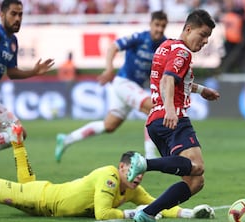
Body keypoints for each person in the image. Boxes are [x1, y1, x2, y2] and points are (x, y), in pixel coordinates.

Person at [126, 9, 220, 222]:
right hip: (173, 118)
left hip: (156, 122)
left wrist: (200, 89)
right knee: (197, 167)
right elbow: (168, 79)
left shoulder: (166, 46)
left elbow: (171, 79)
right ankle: (144, 163)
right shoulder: (183, 53)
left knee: (195, 181)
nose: (205, 41)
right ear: (188, 29)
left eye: (208, 37)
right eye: (203, 34)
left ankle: (147, 214)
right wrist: (170, 109)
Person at [54, 10, 168, 162]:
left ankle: (67, 139)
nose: (159, 29)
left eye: (163, 26)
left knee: (109, 125)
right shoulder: (139, 37)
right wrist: (109, 69)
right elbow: (113, 47)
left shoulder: (165, 45)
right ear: (150, 24)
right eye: (157, 25)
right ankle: (151, 157)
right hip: (124, 83)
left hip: (133, 88)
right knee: (153, 109)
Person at [0, 150, 215, 220]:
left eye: (141, 171)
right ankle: (15, 146)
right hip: (43, 198)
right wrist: (137, 212)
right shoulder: (109, 176)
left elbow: (157, 204)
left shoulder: (133, 189)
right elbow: (102, 214)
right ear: (121, 167)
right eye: (132, 170)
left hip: (45, 210)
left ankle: (17, 144)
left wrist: (189, 213)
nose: (138, 175)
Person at [0, 0, 54, 182]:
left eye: (20, 14)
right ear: (1, 15)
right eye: (13, 14)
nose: (18, 18)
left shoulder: (12, 41)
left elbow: (12, 72)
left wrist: (34, 71)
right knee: (16, 131)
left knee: (18, 132)